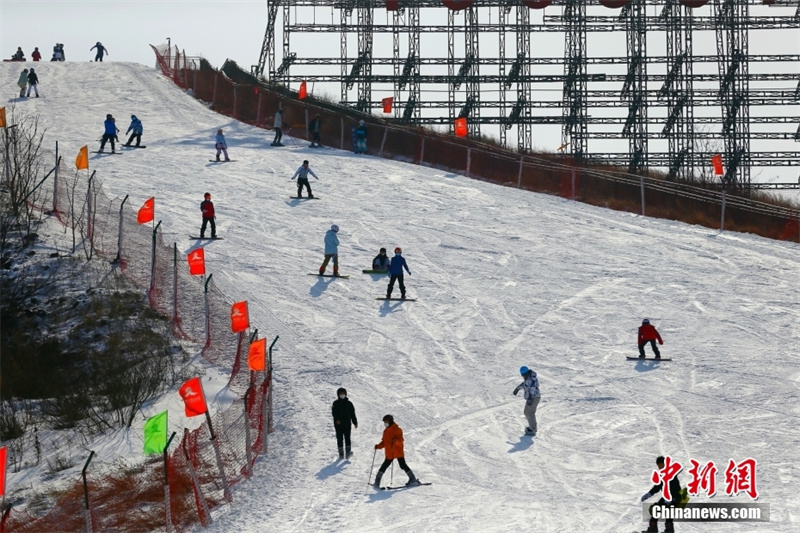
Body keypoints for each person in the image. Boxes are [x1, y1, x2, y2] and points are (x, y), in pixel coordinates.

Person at [373, 415, 419, 488]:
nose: (385, 423)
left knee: (402, 465)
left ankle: (412, 479)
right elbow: (385, 442)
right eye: (384, 422)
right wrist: (378, 446)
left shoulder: (397, 430)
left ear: (390, 421)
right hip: (389, 453)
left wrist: (396, 441)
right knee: (384, 466)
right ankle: (377, 482)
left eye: (386, 422)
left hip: (397, 452)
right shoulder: (385, 431)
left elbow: (401, 441)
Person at [641, 456, 682, 533]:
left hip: (675, 497)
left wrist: (672, 499)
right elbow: (657, 486)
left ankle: (669, 530)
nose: (660, 468)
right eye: (659, 466)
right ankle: (653, 529)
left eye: (662, 465)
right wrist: (649, 494)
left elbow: (676, 488)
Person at [513, 366, 541, 436]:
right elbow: (524, 384)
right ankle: (533, 427)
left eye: (524, 374)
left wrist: (531, 398)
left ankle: (533, 429)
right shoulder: (529, 378)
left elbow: (532, 388)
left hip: (534, 397)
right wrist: (517, 389)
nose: (524, 376)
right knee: (527, 412)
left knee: (529, 412)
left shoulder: (532, 379)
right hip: (533, 397)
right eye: (523, 375)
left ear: (527, 373)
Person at [331, 387, 358, 459]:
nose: (342, 395)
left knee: (347, 438)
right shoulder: (335, 403)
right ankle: (341, 454)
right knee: (339, 438)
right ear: (338, 395)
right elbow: (334, 413)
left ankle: (348, 453)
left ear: (345, 394)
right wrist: (337, 419)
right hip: (338, 424)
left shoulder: (349, 403)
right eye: (340, 394)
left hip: (347, 424)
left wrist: (355, 422)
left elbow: (352, 413)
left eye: (343, 393)